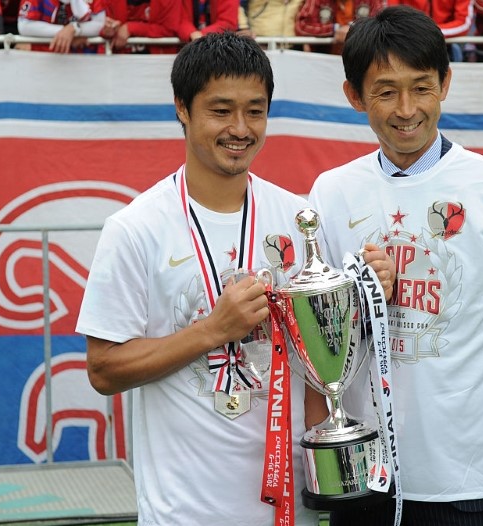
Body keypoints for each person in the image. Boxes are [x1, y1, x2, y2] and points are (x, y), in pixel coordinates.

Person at [308, 6, 483, 526]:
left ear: (445, 84)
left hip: (468, 475)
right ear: (354, 96)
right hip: (364, 471)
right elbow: (321, 341)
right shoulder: (331, 192)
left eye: (421, 88)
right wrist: (361, 295)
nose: (407, 109)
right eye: (386, 92)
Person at [76, 32, 330, 526]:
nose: (240, 129)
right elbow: (103, 369)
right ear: (182, 108)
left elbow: (322, 361)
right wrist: (213, 330)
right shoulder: (135, 228)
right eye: (221, 110)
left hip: (287, 511)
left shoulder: (300, 220)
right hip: (183, 513)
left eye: (255, 111)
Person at [294, 0, 385, 53]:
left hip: (362, 59)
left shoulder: (371, 1)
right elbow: (301, 26)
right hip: (324, 61)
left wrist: (353, 30)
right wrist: (334, 29)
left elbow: (383, 25)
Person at [17, 0, 105, 53]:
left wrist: (74, 29)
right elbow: (24, 26)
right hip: (45, 59)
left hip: (84, 60)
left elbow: (101, 25)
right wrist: (67, 32)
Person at [100, 0, 179, 53]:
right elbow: (99, 25)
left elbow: (172, 29)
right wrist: (107, 30)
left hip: (158, 63)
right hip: (118, 62)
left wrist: (131, 28)